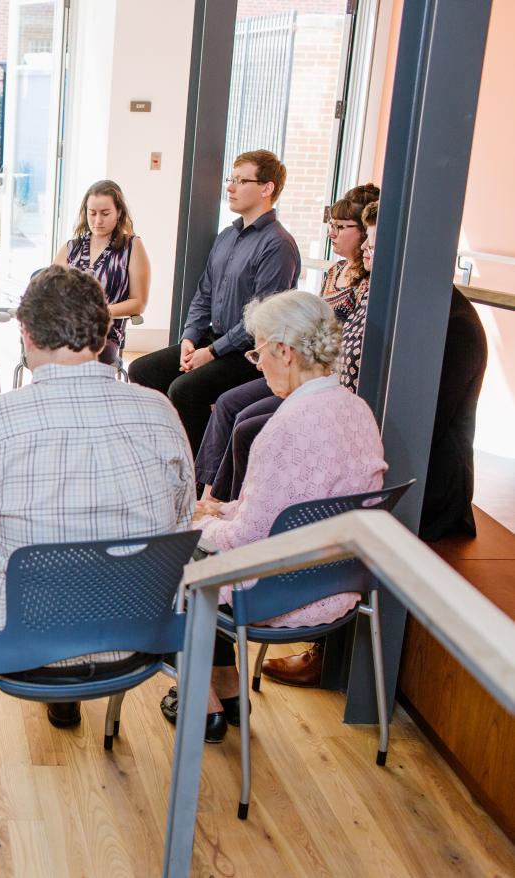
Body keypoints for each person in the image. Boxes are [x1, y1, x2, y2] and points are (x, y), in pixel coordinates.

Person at [0, 265, 194, 760]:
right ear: (105, 330)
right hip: (138, 636)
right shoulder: (161, 412)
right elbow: (181, 521)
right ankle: (66, 701)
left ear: (25, 335)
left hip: (18, 647)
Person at [261, 199, 489, 687]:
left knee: (324, 494)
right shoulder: (399, 306)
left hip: (429, 488)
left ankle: (316, 636)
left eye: (378, 241)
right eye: (368, 239)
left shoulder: (453, 325)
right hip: (392, 460)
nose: (367, 248)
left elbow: (421, 424)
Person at [158, 290, 386, 742]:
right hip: (340, 579)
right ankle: (230, 688)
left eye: (257, 350)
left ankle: (202, 707)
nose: (256, 363)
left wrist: (199, 521)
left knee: (176, 555)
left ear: (285, 350)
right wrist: (222, 507)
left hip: (282, 593)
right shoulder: (357, 410)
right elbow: (294, 506)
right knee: (208, 548)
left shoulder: (285, 426)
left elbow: (247, 539)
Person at [196, 183, 379, 504]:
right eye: (330, 226)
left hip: (314, 376)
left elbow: (335, 345)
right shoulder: (335, 271)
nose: (332, 234)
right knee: (228, 404)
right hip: (299, 368)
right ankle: (209, 494)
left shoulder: (368, 285)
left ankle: (230, 501)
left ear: (364, 233)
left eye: (340, 227)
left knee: (244, 425)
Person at [129, 150, 301, 456]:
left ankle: (197, 469)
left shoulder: (278, 244)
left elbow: (262, 320)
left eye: (240, 180)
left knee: (185, 390)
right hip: (214, 340)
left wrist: (211, 353)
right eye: (230, 179)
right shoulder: (226, 236)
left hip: (250, 353)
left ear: (267, 188)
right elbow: (203, 294)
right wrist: (189, 338)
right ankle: (167, 450)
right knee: (143, 370)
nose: (230, 188)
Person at [52, 179, 151, 365]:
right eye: (92, 213)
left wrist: (96, 312)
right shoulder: (71, 247)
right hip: (66, 327)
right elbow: (50, 292)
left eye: (105, 214)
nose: (97, 221)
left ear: (119, 212)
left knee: (73, 352)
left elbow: (139, 303)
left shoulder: (132, 247)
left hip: (105, 334)